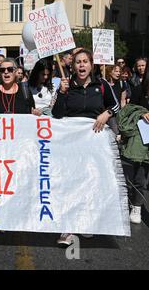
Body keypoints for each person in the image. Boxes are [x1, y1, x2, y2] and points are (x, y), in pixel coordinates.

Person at [52, 49, 120, 245]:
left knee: (89, 182)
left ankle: (86, 221)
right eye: (78, 62)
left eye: (85, 62)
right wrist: (62, 92)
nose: (81, 65)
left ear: (91, 65)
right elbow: (56, 114)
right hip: (70, 144)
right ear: (73, 66)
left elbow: (115, 105)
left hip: (94, 143)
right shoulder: (66, 85)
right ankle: (67, 227)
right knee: (70, 183)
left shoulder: (102, 84)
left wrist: (106, 114)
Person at [119, 66, 149, 224]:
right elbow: (128, 110)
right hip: (141, 140)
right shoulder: (139, 90)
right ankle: (136, 205)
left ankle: (136, 203)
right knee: (137, 175)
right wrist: (141, 113)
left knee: (142, 176)